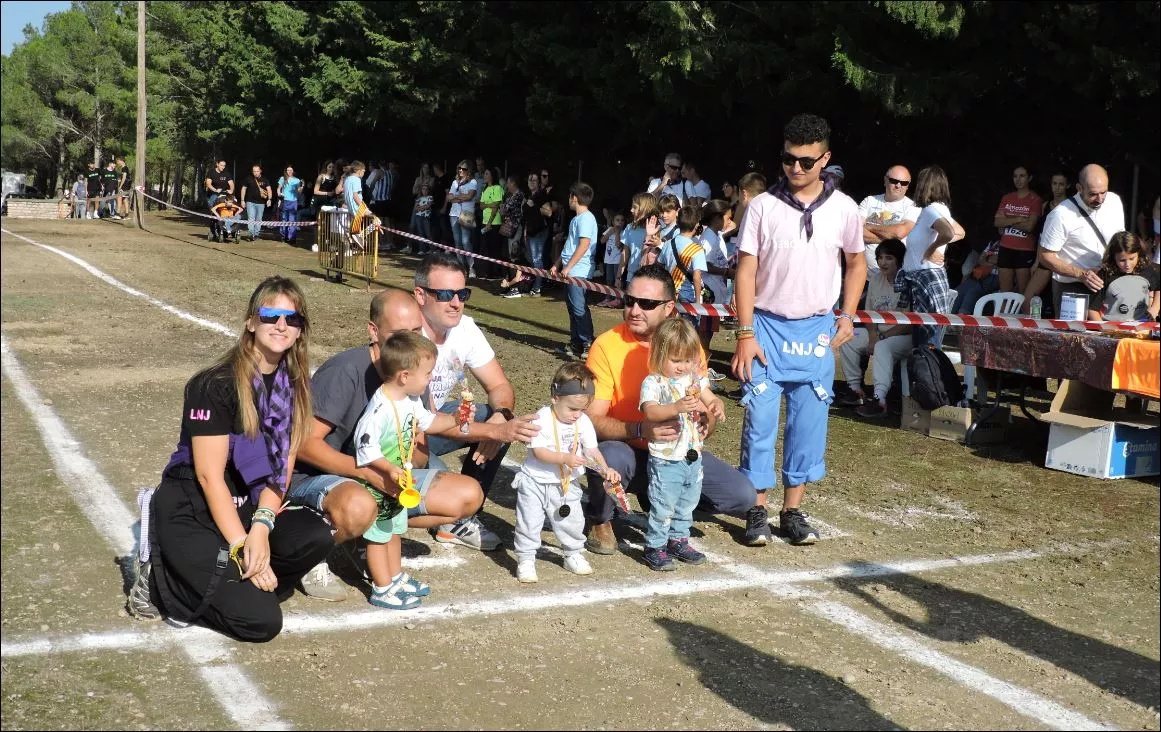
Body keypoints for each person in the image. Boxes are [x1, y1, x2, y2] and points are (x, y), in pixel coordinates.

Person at [288, 287, 532, 597]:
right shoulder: (345, 372)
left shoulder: (413, 375)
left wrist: (495, 431)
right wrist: (367, 473)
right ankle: (305, 547)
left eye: (417, 330)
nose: (412, 340)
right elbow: (305, 445)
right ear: (373, 331)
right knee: (359, 503)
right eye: (402, 332)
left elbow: (424, 440)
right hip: (319, 477)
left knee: (469, 495)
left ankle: (363, 537)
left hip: (381, 472)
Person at [130, 277, 332, 641]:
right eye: (271, 315)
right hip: (193, 505)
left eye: (293, 319)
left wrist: (261, 526)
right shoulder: (214, 384)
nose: (281, 325)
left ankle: (230, 579)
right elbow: (208, 477)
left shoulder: (294, 385)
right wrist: (242, 548)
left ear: (301, 330)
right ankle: (161, 582)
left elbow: (281, 468)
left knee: (315, 535)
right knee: (260, 624)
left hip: (247, 502)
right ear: (251, 322)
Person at [731, 113, 866, 546]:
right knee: (760, 420)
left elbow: (857, 262)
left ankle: (792, 512)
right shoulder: (763, 207)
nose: (796, 169)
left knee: (808, 425)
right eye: (789, 159)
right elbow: (746, 271)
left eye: (807, 162)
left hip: (816, 330)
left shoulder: (845, 208)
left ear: (825, 159)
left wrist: (847, 315)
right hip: (766, 328)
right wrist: (744, 333)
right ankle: (756, 509)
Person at [583, 264, 764, 551]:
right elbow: (591, 420)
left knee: (742, 495)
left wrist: (707, 422)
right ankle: (599, 518)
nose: (634, 310)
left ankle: (663, 498)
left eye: (647, 304)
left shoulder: (686, 345)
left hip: (677, 454)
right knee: (609, 456)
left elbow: (703, 402)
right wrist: (641, 428)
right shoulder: (606, 345)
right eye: (630, 300)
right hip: (627, 449)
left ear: (669, 308)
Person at [353, 331, 474, 609]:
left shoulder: (409, 400)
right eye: (428, 373)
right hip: (379, 483)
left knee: (395, 530)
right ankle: (382, 588)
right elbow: (365, 450)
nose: (431, 378)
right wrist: (390, 469)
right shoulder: (380, 409)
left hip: (397, 482)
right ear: (404, 376)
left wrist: (455, 418)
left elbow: (429, 423)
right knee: (377, 536)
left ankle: (394, 577)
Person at [513, 362, 620, 583]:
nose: (576, 415)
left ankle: (572, 553)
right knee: (529, 522)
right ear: (555, 398)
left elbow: (591, 449)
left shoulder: (583, 421)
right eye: (572, 409)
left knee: (572, 520)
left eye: (582, 409)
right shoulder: (541, 418)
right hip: (535, 481)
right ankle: (525, 559)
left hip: (566, 482)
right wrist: (564, 458)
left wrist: (604, 468)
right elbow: (539, 451)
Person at [638, 318, 725, 570]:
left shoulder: (694, 380)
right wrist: (675, 407)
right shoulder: (654, 383)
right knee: (664, 503)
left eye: (688, 360)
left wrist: (715, 405)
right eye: (676, 360)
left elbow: (709, 398)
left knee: (687, 502)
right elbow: (650, 412)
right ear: (659, 355)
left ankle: (678, 539)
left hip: (692, 455)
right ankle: (654, 545)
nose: (682, 366)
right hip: (666, 458)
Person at [835, 238, 911, 417]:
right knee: (849, 336)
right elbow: (868, 315)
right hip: (878, 334)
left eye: (889, 258)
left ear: (899, 260)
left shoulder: (906, 281)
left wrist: (880, 339)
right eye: (880, 258)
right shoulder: (875, 279)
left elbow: (908, 325)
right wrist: (873, 335)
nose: (883, 262)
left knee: (882, 347)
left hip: (902, 336)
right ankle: (855, 390)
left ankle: (880, 400)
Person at [1038, 164, 1127, 316]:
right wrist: (1081, 274)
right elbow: (1045, 256)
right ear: (1079, 188)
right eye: (1093, 194)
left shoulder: (1114, 201)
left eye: (1103, 192)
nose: (1100, 199)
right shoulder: (1060, 214)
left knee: (1111, 337)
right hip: (1073, 288)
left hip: (1110, 284)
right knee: (1073, 339)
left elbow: (1120, 241)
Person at [901, 165, 965, 347]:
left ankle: (929, 374)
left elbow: (949, 232)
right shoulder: (938, 210)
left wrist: (931, 249)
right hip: (924, 280)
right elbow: (959, 232)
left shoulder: (931, 210)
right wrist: (939, 244)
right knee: (926, 340)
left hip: (926, 281)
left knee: (926, 342)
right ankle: (926, 373)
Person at [550, 182, 598, 360]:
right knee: (572, 307)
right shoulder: (576, 219)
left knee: (579, 308)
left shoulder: (586, 218)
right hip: (570, 270)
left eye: (570, 197)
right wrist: (557, 264)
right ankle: (576, 342)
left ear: (574, 198)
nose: (568, 200)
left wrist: (569, 267)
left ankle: (588, 343)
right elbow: (569, 247)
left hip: (580, 270)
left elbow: (584, 245)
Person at [858, 166, 920, 279]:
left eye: (904, 183)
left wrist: (869, 227)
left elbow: (899, 233)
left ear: (908, 186)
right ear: (885, 181)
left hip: (895, 279)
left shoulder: (913, 207)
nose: (898, 185)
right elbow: (854, 231)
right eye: (894, 181)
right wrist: (892, 239)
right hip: (863, 277)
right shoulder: (869, 201)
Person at [1086, 232, 1159, 322]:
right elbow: (1092, 309)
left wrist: (1155, 308)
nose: (1127, 265)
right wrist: (1104, 329)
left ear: (1139, 253)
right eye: (1122, 260)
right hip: (1113, 329)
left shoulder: (1147, 270)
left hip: (1142, 329)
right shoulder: (1105, 275)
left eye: (1132, 258)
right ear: (1113, 257)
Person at [993, 165, 1043, 295]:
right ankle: (1003, 315)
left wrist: (1007, 221)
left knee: (1023, 293)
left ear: (1029, 178)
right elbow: (997, 222)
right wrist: (1018, 219)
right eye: (1015, 176)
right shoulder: (1007, 197)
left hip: (1024, 250)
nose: (1018, 179)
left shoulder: (1035, 200)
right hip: (1005, 247)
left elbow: (1029, 226)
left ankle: (1023, 316)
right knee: (1005, 292)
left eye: (1022, 176)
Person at [617, 193, 661, 290]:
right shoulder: (630, 228)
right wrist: (618, 276)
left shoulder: (658, 228)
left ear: (646, 209)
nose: (631, 210)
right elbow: (625, 253)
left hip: (650, 278)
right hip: (631, 277)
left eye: (635, 207)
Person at [447, 160, 479, 276]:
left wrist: (456, 197)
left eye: (464, 168)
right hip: (454, 214)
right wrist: (461, 197)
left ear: (468, 170)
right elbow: (449, 198)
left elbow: (470, 196)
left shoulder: (473, 182)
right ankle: (461, 268)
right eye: (459, 168)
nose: (461, 170)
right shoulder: (455, 182)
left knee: (466, 242)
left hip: (466, 214)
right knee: (457, 242)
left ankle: (471, 267)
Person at [953, 239, 1001, 314]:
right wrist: (990, 262)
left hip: (997, 277)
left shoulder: (1010, 245)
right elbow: (980, 260)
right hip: (981, 275)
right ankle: (947, 316)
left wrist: (987, 260)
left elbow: (1000, 261)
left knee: (973, 290)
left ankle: (963, 317)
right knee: (959, 290)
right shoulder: (993, 243)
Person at [478, 167, 505, 279]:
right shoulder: (485, 188)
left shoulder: (497, 188)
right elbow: (481, 205)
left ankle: (496, 272)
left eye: (487, 173)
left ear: (492, 176)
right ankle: (489, 272)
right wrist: (490, 204)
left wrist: (489, 222)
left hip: (494, 223)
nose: (484, 176)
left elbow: (496, 206)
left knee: (495, 248)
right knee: (487, 248)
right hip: (485, 222)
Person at [596, 211, 626, 307]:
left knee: (617, 280)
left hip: (618, 261)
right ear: (613, 222)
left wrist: (617, 233)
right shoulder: (609, 230)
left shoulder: (624, 233)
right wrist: (610, 232)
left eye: (622, 220)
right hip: (608, 260)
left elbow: (618, 246)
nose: (619, 222)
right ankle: (608, 297)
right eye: (617, 220)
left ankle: (618, 299)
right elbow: (602, 241)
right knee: (609, 280)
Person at [239, 164, 273, 242]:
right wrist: (242, 200)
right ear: (252, 172)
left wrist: (269, 199)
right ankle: (251, 234)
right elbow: (243, 189)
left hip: (261, 203)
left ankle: (256, 234)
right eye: (254, 171)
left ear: (260, 171)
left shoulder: (265, 180)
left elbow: (269, 190)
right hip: (250, 202)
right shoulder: (248, 179)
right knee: (251, 218)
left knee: (259, 219)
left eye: (257, 171)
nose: (256, 173)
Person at [205, 160, 234, 240]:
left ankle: (226, 229)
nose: (223, 167)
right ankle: (213, 230)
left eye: (224, 165)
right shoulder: (211, 172)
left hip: (224, 195)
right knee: (213, 213)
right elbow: (208, 184)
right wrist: (215, 190)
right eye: (221, 165)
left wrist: (231, 190)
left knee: (230, 205)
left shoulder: (227, 173)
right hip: (213, 194)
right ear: (217, 164)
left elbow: (231, 184)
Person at [276, 165, 303, 245]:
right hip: (284, 201)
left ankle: (291, 238)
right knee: (284, 219)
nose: (289, 171)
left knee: (292, 220)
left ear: (293, 171)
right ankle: (284, 236)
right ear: (286, 171)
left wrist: (301, 188)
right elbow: (278, 188)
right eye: (288, 170)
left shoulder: (297, 180)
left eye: (291, 170)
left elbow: (299, 192)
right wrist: (279, 194)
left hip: (293, 201)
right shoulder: (282, 178)